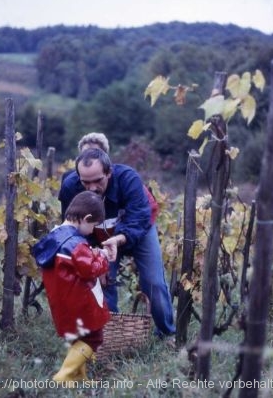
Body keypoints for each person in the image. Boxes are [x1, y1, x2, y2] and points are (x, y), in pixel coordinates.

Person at [59, 147, 176, 337]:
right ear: (78, 176)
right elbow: (74, 227)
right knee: (101, 282)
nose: (92, 188)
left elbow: (139, 217)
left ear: (109, 172)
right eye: (85, 182)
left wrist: (118, 239)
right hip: (98, 236)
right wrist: (94, 256)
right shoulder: (70, 187)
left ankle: (167, 333)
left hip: (138, 229)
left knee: (153, 282)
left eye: (98, 181)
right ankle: (108, 335)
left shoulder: (128, 179)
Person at [32, 191, 117, 384]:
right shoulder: (76, 244)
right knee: (93, 339)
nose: (92, 231)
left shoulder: (55, 236)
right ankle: (64, 375)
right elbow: (90, 270)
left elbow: (76, 265)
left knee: (78, 337)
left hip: (64, 301)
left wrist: (93, 253)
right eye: (93, 225)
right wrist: (103, 258)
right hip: (81, 302)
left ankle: (79, 376)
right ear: (86, 218)